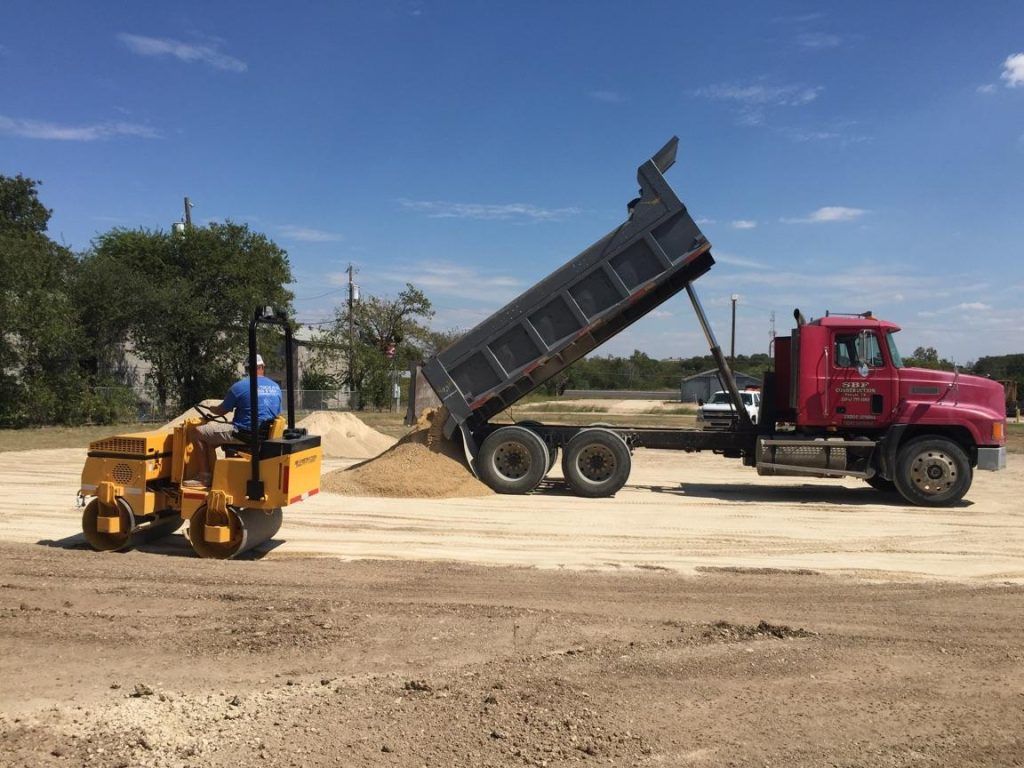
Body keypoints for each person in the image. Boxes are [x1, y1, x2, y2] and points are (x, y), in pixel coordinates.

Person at [185, 354, 282, 487]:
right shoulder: (276, 387)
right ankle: (224, 473)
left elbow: (221, 411)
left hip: (244, 433)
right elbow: (276, 412)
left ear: (247, 369)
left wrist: (211, 407)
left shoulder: (240, 387)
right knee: (214, 435)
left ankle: (204, 478)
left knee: (198, 432)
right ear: (262, 367)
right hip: (264, 434)